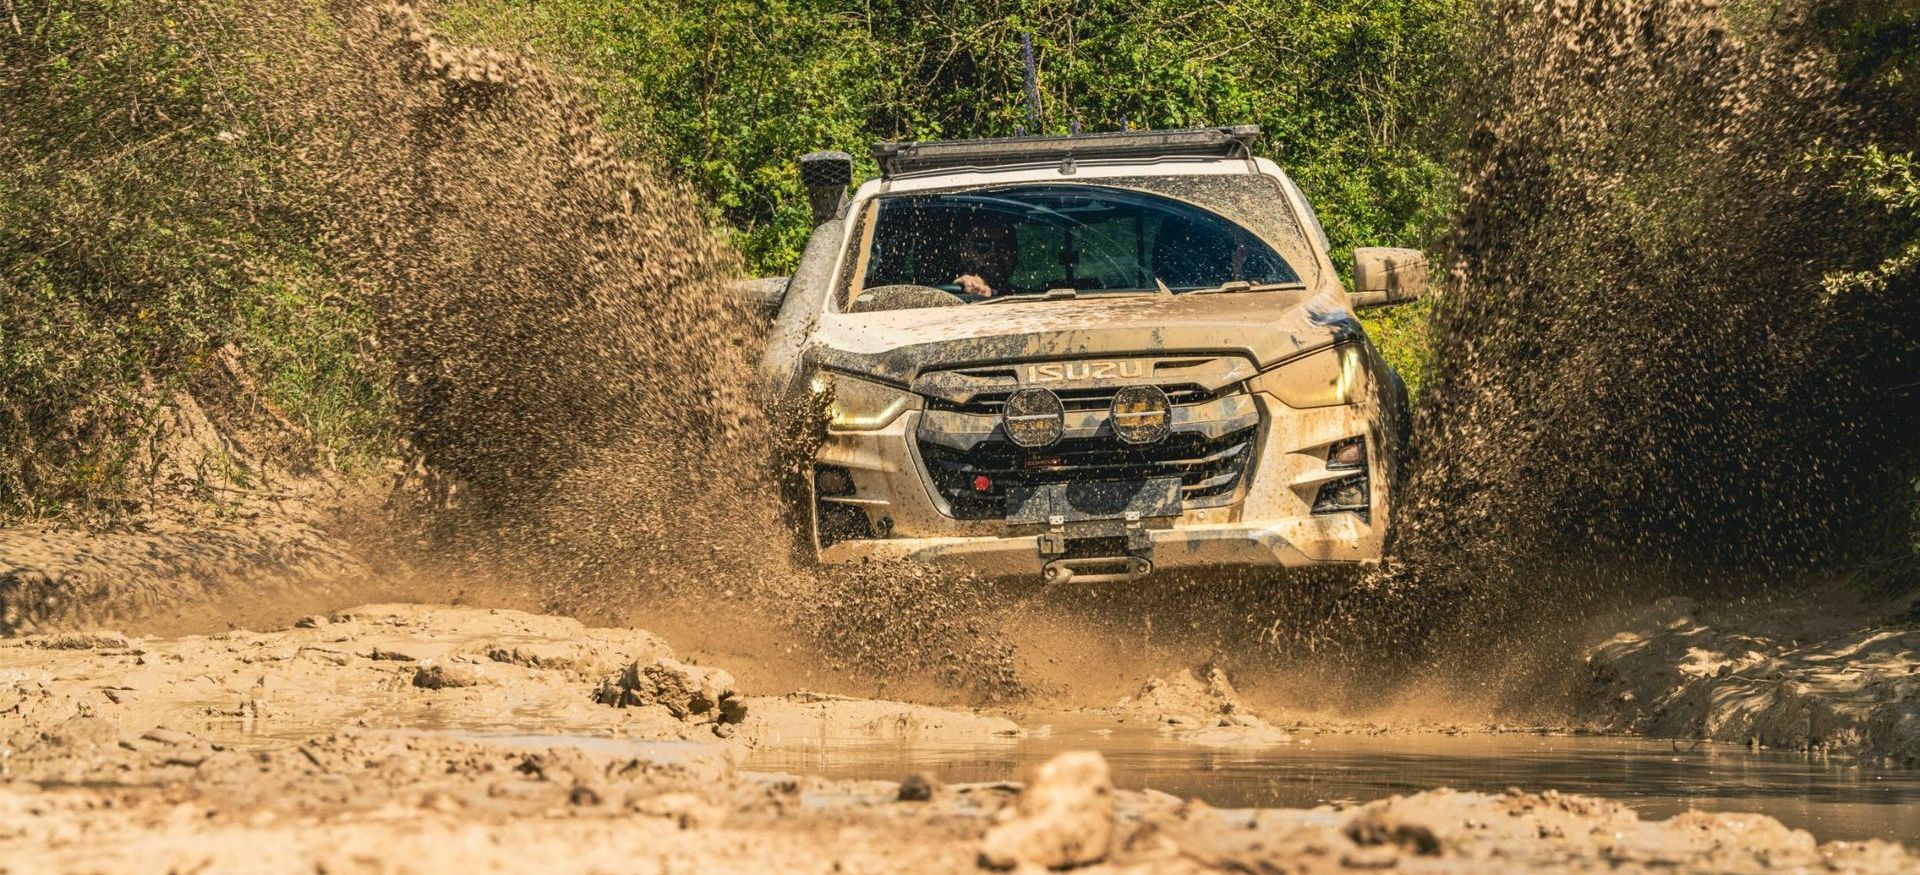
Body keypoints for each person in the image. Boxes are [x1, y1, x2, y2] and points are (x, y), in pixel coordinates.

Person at [950, 214, 1018, 298]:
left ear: (1014, 253)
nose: (994, 253)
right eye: (983, 246)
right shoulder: (937, 293)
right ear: (964, 252)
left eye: (1004, 247)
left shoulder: (1028, 297)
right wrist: (960, 287)